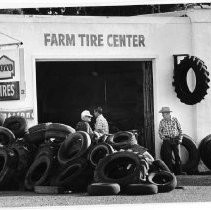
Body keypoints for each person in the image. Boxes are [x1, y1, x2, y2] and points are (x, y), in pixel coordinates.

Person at [158, 106, 183, 175]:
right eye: (162, 114)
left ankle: (179, 172)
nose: (162, 115)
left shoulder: (175, 119)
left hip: (175, 139)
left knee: (177, 156)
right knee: (168, 157)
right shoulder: (162, 121)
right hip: (167, 140)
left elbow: (180, 129)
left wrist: (180, 139)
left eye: (163, 114)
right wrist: (163, 137)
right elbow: (160, 131)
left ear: (167, 113)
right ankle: (170, 173)